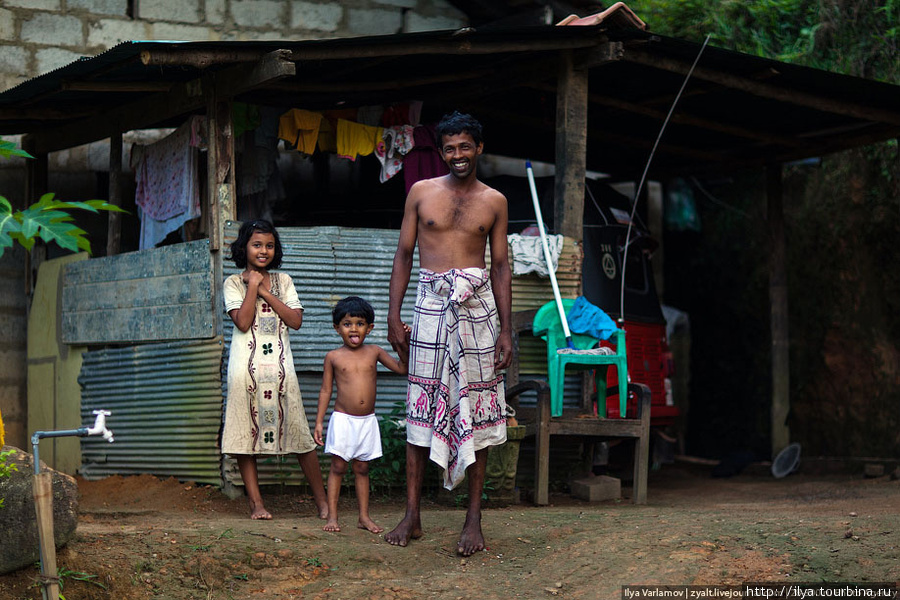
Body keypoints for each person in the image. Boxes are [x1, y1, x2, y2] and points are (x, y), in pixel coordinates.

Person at [384, 111, 512, 556]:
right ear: (441, 152)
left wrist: (506, 331)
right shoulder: (421, 193)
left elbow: (499, 266)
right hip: (430, 309)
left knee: (478, 411)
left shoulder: (494, 201)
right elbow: (403, 254)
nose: (457, 155)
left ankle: (473, 520)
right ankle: (413, 514)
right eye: (449, 148)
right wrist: (392, 315)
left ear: (479, 148)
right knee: (421, 409)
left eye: (465, 146)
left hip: (478, 312)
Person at [221, 219, 328, 520]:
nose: (263, 250)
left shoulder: (284, 281)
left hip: (281, 370)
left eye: (269, 245)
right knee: (245, 434)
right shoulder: (232, 283)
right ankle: (256, 503)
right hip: (245, 370)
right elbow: (242, 323)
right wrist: (251, 286)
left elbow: (295, 320)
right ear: (244, 247)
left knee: (299, 434)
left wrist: (264, 290)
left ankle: (322, 503)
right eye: (257, 244)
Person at [314, 296, 409, 533]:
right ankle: (333, 517)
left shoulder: (374, 352)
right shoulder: (333, 357)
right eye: (347, 324)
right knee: (338, 467)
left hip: (367, 421)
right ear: (337, 328)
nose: (354, 328)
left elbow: (402, 368)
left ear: (370, 328)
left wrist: (403, 342)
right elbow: (326, 390)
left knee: (362, 468)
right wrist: (318, 422)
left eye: (360, 323)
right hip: (343, 419)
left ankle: (363, 517)